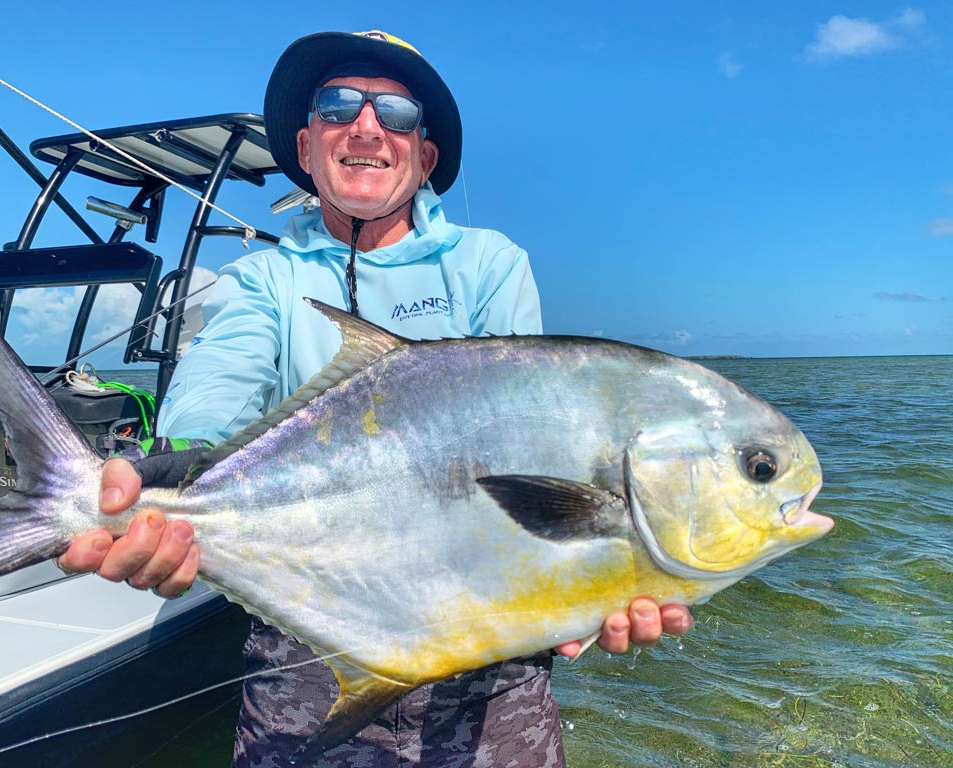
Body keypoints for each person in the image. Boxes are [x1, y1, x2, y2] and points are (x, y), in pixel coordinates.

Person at [59, 30, 693, 767]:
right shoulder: (264, 280)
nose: (366, 126)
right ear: (305, 145)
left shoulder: (488, 264)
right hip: (311, 652)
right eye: (337, 105)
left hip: (487, 663)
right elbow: (209, 409)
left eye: (394, 110)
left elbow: (528, 439)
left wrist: (595, 580)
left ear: (423, 157)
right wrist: (152, 496)